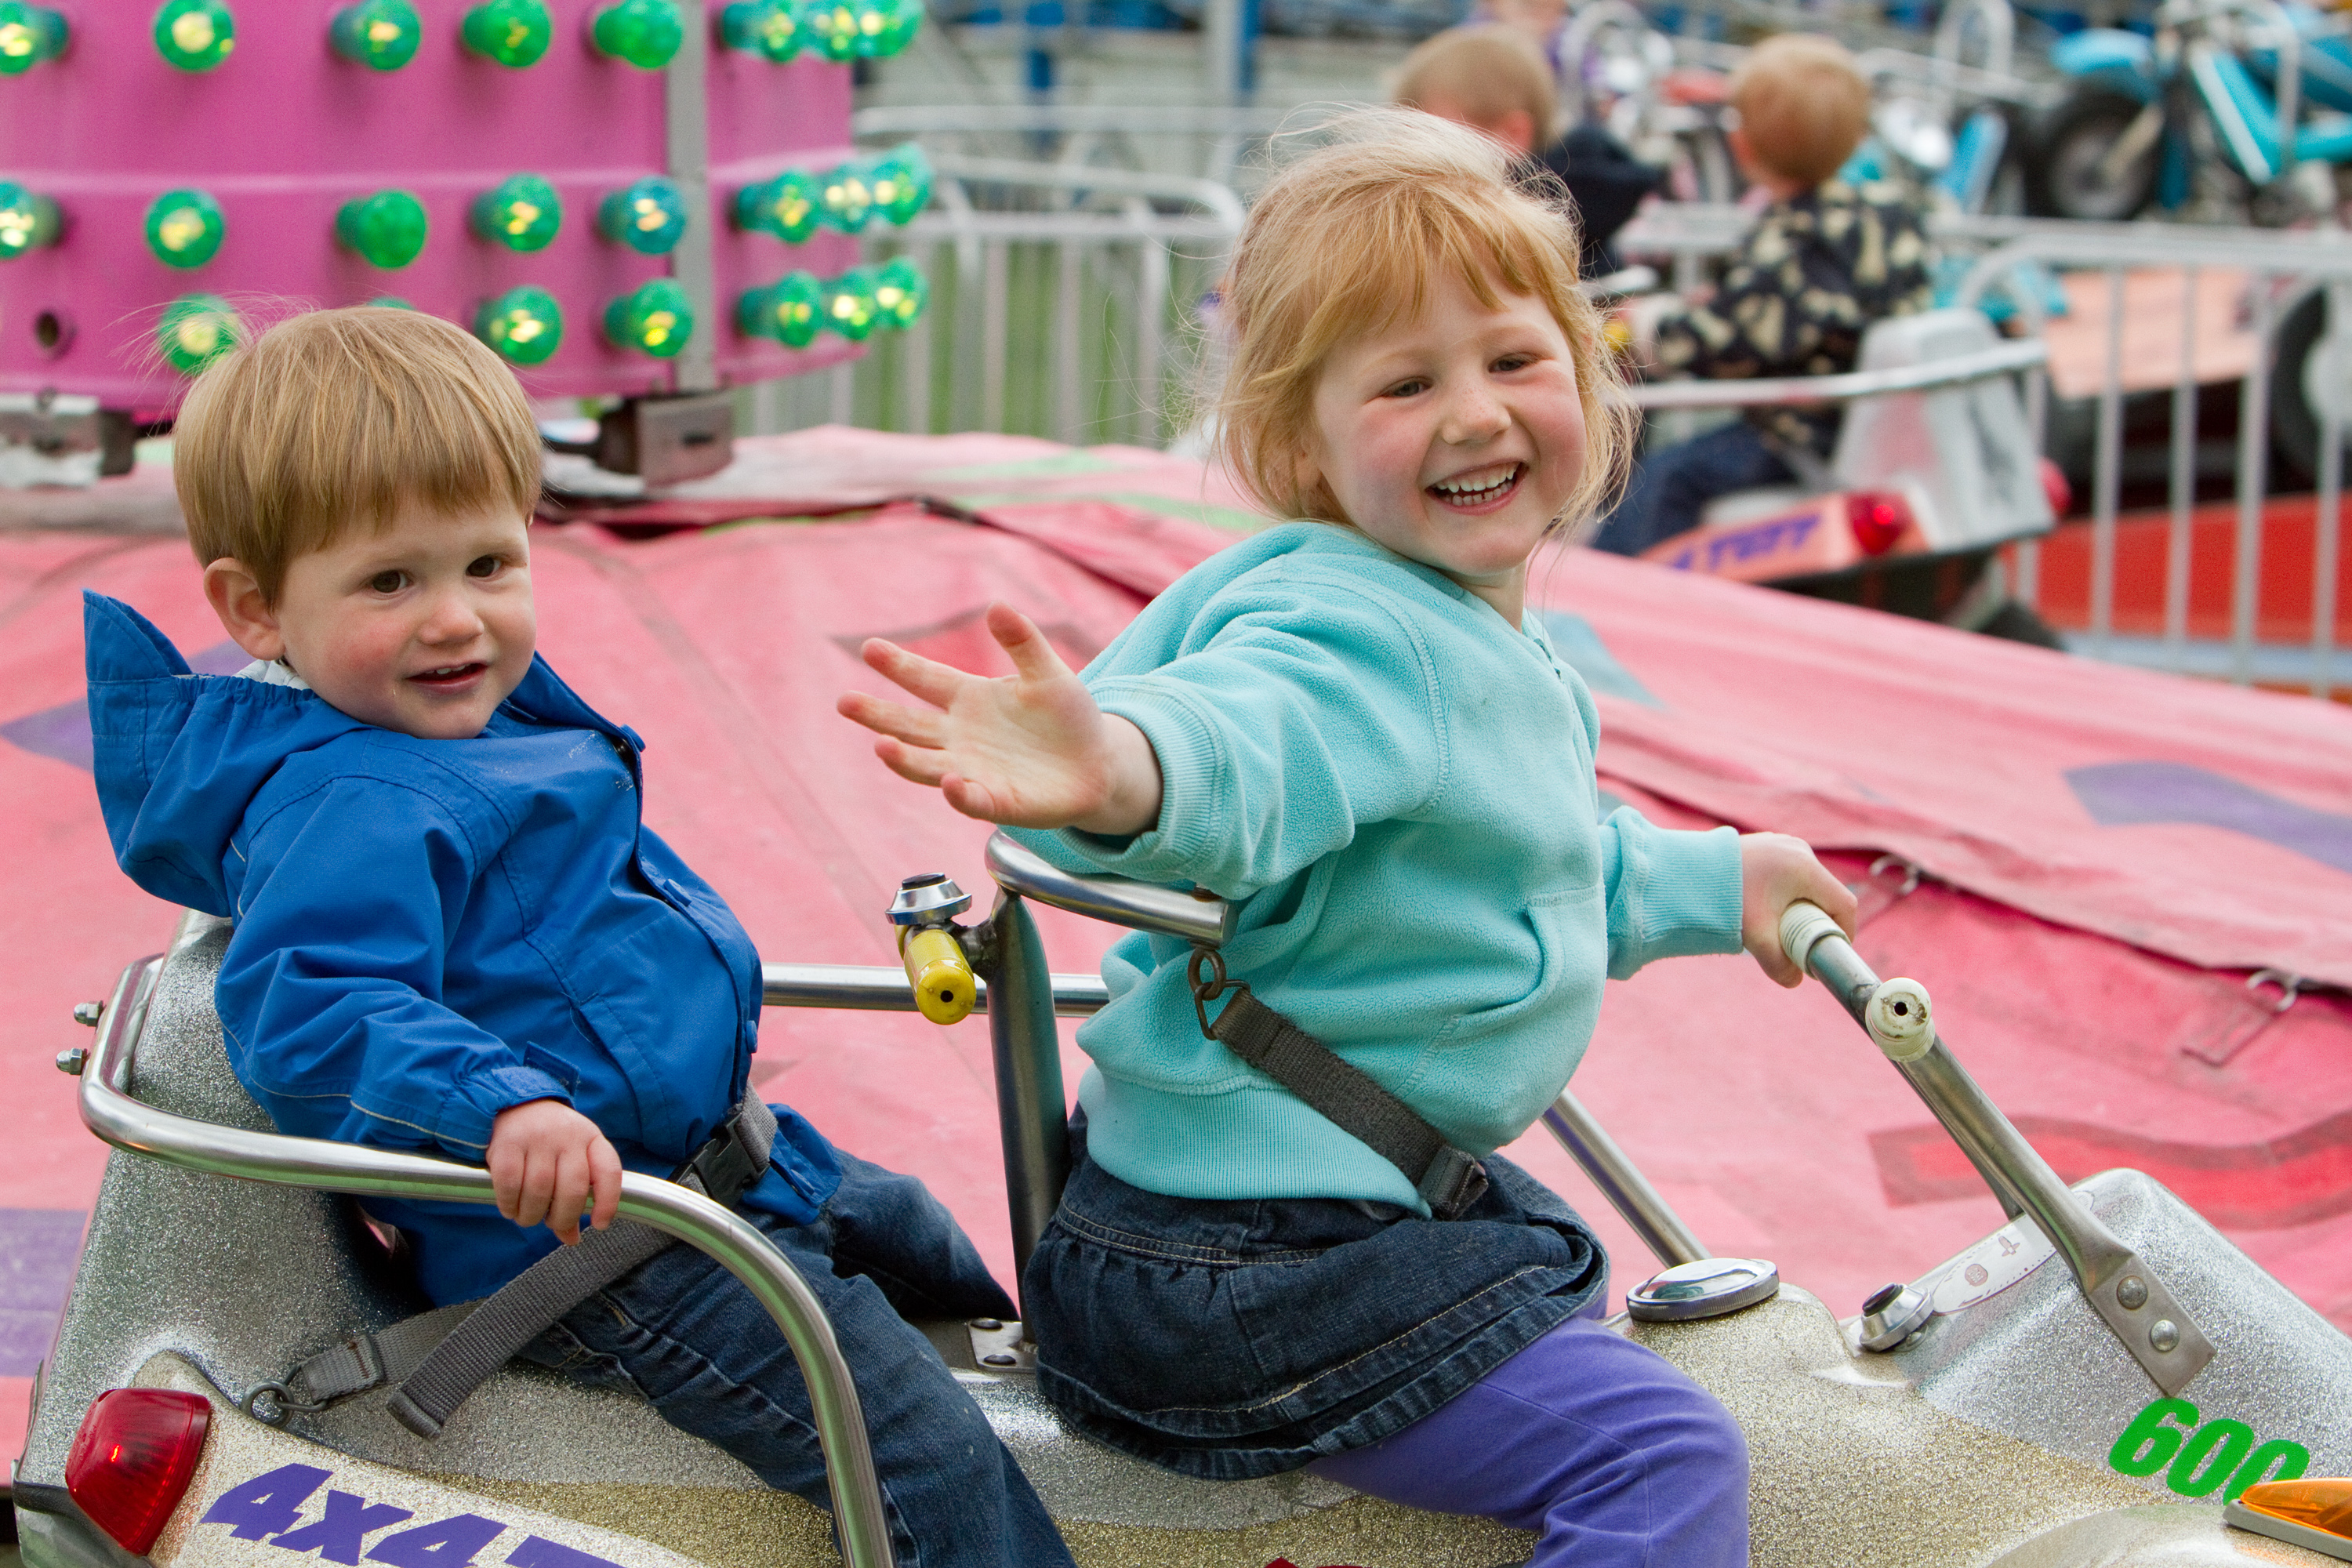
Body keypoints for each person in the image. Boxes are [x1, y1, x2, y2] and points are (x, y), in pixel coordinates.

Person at [838, 111, 1858, 1566]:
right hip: (1247, 1268)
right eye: (1403, 383)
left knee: (1559, 1278)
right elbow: (1246, 747)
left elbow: (1529, 862)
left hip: (1217, 1236)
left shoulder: (1441, 622)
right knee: (1662, 1453)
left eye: (1513, 359)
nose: (1474, 414)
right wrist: (1123, 769)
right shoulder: (1358, 640)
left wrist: (1721, 879)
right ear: (1299, 445)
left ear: (1586, 367)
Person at [82, 307, 1073, 1568]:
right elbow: (309, 1003)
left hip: (718, 1167)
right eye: (392, 581)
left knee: (934, 1248)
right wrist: (502, 1108)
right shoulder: (351, 803)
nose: (455, 620)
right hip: (603, 1256)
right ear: (258, 609)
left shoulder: (480, 731)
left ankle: (1089, 1492)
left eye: (488, 565)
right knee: (914, 1450)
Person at [1590, 33, 1934, 557]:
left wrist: (1652, 326)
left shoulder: (1795, 236)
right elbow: (1799, 313)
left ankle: (1608, 607)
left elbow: (1725, 343)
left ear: (1744, 144)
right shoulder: (1887, 213)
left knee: (1664, 479)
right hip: (1869, 424)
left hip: (1802, 434)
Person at [1393, 23, 1662, 277]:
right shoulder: (1590, 207)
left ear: (1512, 135)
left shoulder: (1502, 231)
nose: (1413, 153)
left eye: (1431, 135)